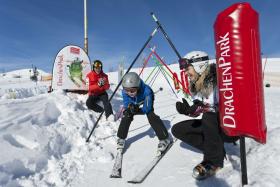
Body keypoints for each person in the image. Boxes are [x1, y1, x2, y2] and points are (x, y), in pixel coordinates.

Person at [171, 51, 239, 180]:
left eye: (187, 68)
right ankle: (216, 149)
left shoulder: (220, 79)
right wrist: (189, 111)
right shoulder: (197, 85)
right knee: (177, 129)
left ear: (199, 65)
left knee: (208, 116)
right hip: (213, 127)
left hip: (231, 128)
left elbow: (231, 106)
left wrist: (204, 107)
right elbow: (201, 108)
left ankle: (214, 161)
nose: (185, 72)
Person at [116, 72, 171, 153]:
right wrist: (130, 106)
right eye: (127, 90)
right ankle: (121, 138)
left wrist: (137, 109)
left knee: (151, 115)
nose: (129, 93)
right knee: (127, 114)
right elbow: (126, 102)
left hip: (146, 102)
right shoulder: (125, 91)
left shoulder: (147, 91)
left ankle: (164, 138)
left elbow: (147, 109)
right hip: (134, 104)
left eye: (132, 90)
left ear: (138, 87)